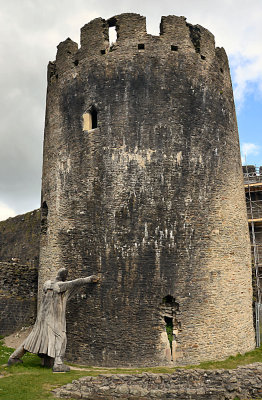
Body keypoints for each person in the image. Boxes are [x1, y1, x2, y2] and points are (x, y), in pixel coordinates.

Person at [8, 268, 100, 372]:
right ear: (64, 276)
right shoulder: (60, 285)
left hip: (42, 318)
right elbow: (75, 282)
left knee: (34, 337)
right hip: (54, 318)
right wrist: (89, 279)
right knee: (61, 338)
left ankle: (14, 357)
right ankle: (58, 364)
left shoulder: (47, 284)